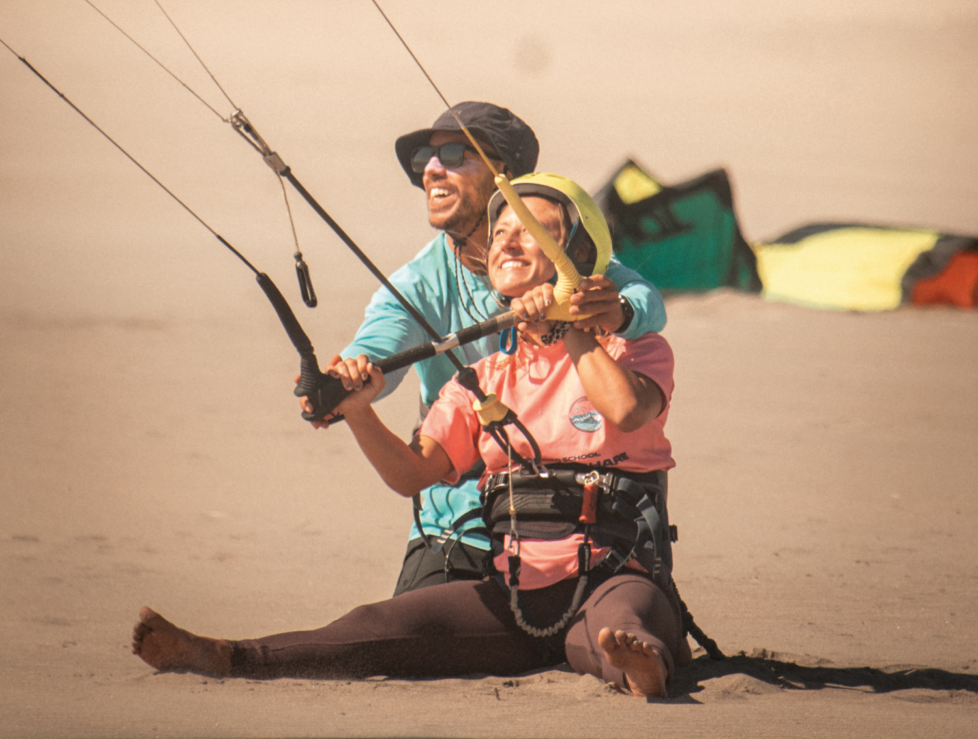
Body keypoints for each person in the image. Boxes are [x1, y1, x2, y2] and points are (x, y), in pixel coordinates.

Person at [132, 174, 690, 697]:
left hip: (617, 577)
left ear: (578, 257)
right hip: (516, 595)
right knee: (377, 624)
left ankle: (640, 666)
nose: (507, 244)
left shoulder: (634, 349)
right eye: (500, 234)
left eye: (532, 231)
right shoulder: (485, 378)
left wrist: (568, 322)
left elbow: (625, 408)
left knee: (616, 627)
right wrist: (357, 411)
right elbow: (411, 474)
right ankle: (232, 656)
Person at [331, 101, 668, 595]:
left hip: (563, 509)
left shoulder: (565, 256)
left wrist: (608, 310)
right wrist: (340, 386)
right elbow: (376, 348)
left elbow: (646, 303)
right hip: (460, 511)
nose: (430, 168)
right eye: (424, 157)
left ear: (504, 175)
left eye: (452, 153)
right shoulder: (415, 284)